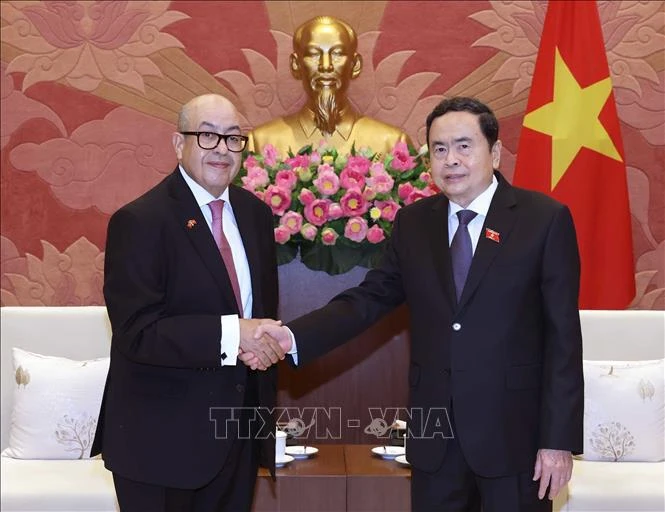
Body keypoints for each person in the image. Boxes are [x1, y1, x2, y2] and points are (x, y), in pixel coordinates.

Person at [251, 97, 584, 511]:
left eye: (465, 146)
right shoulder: (414, 223)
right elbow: (369, 300)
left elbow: (563, 339)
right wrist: (291, 336)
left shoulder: (543, 220)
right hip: (434, 439)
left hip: (513, 439)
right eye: (440, 149)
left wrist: (557, 442)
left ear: (494, 153)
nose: (452, 160)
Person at [91, 93, 286, 512]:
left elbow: (260, 313)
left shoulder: (255, 215)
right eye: (207, 135)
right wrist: (236, 333)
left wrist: (265, 345)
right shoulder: (140, 221)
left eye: (233, 138)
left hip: (237, 436)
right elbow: (137, 332)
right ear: (179, 144)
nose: (222, 149)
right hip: (160, 445)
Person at [247, 15, 412, 156]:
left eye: (337, 54)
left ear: (355, 65)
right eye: (313, 54)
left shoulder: (393, 144)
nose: (325, 66)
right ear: (296, 65)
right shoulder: (260, 143)